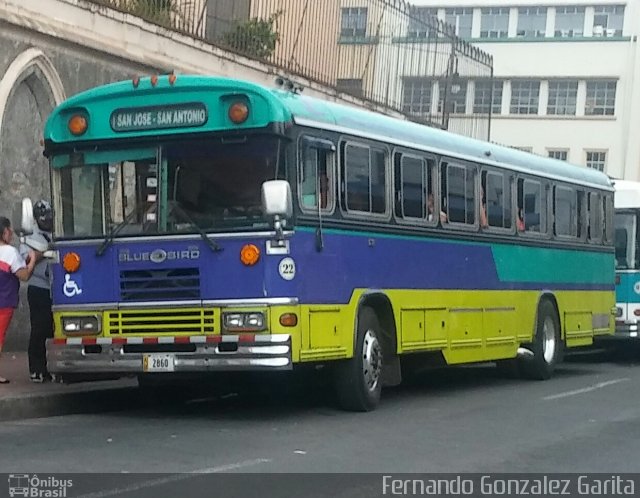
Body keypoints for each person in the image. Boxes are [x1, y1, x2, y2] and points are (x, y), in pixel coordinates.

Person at [0, 216, 37, 384]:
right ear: (4, 232)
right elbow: (24, 275)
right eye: (9, 229)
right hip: (4, 301)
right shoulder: (9, 252)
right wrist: (34, 260)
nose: (12, 233)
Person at [20, 200, 54, 383]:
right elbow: (25, 260)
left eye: (49, 217)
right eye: (44, 218)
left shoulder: (58, 232)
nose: (48, 221)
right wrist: (43, 252)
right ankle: (37, 369)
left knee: (54, 328)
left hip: (59, 288)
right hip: (39, 287)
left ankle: (53, 367)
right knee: (39, 329)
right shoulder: (29, 236)